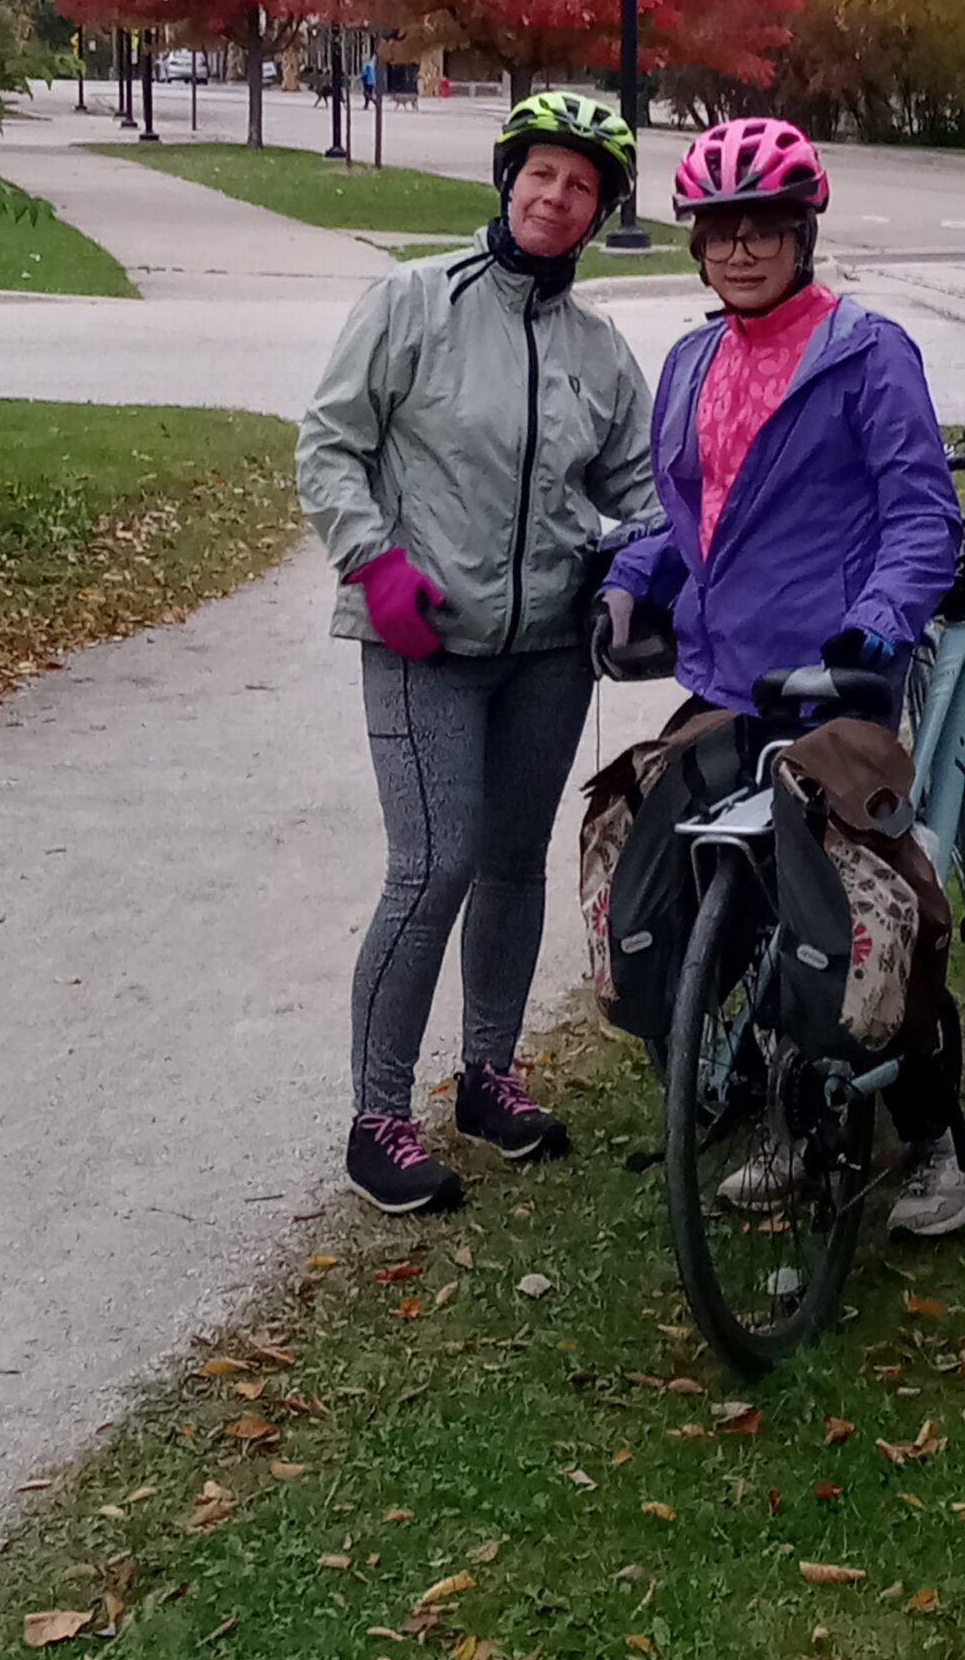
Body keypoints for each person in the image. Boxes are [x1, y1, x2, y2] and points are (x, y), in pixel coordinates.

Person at [599, 116, 965, 1234]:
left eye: (766, 229)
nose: (743, 251)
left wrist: (873, 628)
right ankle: (792, 1120)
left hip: (835, 677)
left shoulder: (866, 353)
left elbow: (920, 517)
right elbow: (692, 515)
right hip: (726, 673)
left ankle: (939, 1146)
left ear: (804, 234)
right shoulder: (691, 361)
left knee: (868, 909)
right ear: (697, 247)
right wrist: (631, 580)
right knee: (687, 896)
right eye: (721, 233)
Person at [298, 89, 658, 1214]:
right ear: (506, 179)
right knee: (434, 862)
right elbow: (330, 444)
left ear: (601, 211)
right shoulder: (414, 300)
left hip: (549, 646)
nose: (558, 197)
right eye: (541, 174)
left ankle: (489, 1076)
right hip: (423, 638)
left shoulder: (599, 349)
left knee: (510, 862)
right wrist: (373, 564)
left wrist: (637, 572)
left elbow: (643, 489)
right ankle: (377, 1114)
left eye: (583, 184)